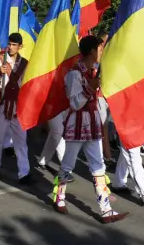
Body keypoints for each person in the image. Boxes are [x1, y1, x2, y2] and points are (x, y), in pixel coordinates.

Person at [53, 35, 128, 223]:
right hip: (76, 125)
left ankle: (105, 209)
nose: (101, 52)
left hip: (92, 125)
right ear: (92, 51)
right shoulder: (74, 74)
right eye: (100, 49)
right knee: (68, 164)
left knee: (98, 166)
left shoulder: (94, 71)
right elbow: (75, 103)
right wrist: (90, 88)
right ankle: (59, 197)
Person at [0, 33, 33, 184]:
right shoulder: (0, 60)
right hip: (3, 104)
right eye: (10, 44)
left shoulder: (25, 64)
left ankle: (24, 173)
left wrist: (11, 73)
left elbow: (25, 85)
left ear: (20, 46)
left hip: (19, 106)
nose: (11, 47)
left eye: (15, 44)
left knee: (21, 141)